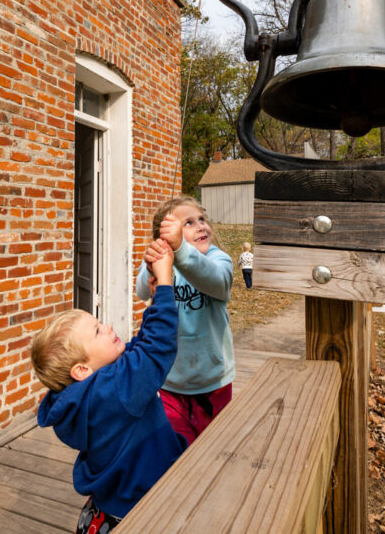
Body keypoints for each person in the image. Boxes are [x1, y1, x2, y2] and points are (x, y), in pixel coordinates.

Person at [32, 238, 186, 531]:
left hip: (105, 510)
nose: (110, 327)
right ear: (82, 369)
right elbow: (156, 349)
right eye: (98, 331)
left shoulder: (81, 397)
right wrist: (166, 285)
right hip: (143, 510)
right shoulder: (115, 389)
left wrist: (154, 300)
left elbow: (136, 355)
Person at [135, 196, 235, 444]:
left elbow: (217, 280)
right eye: (188, 223)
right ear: (166, 235)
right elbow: (141, 292)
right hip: (171, 382)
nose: (201, 225)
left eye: (201, 219)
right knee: (179, 452)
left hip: (214, 380)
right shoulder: (164, 261)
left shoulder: (219, 259)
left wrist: (181, 249)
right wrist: (150, 268)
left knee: (215, 447)